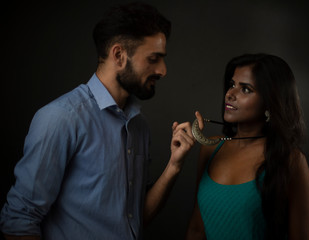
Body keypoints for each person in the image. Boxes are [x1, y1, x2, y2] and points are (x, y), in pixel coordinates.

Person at [0, 2, 195, 240]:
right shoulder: (61, 118)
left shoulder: (139, 126)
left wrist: (174, 166)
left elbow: (134, 219)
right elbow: (19, 221)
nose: (163, 70)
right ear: (119, 55)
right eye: (154, 58)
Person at [186, 53, 309, 240]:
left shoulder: (291, 161)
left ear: (270, 102)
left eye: (245, 89)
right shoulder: (211, 149)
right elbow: (197, 229)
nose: (230, 94)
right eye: (232, 85)